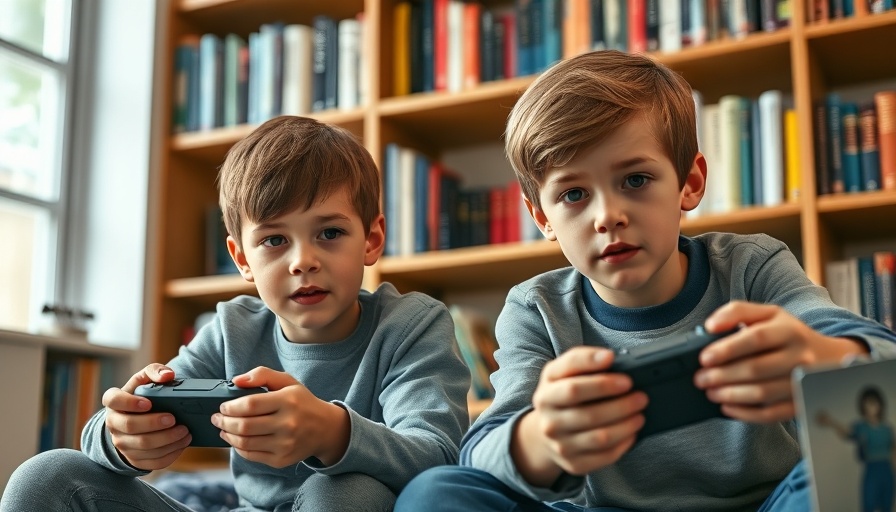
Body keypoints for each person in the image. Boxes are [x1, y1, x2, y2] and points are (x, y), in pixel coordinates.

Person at [394, 50, 896, 512]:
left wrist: (823, 357)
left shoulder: (752, 265)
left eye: (635, 180)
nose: (608, 216)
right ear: (540, 217)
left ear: (690, 183)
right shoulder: (536, 307)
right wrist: (541, 440)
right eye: (572, 195)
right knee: (436, 492)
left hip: (768, 504)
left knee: (874, 453)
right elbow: (483, 451)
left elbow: (882, 357)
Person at [1, 116, 471, 512]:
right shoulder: (230, 328)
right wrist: (121, 437)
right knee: (47, 476)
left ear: (371, 240)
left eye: (329, 233)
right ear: (242, 259)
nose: (302, 260)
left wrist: (331, 433)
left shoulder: (412, 323)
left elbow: (439, 459)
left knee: (347, 489)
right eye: (274, 240)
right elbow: (102, 438)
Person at [817, 386, 895, 512]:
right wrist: (831, 422)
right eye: (867, 404)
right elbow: (847, 432)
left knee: (887, 506)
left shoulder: (887, 429)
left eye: (873, 403)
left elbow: (893, 451)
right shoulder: (861, 426)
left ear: (880, 404)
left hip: (887, 471)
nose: (870, 407)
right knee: (869, 505)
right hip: (872, 470)